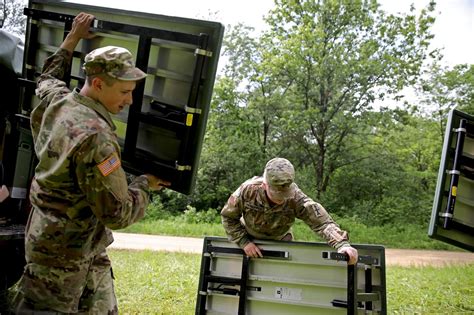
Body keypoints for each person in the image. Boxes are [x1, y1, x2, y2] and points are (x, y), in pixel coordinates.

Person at [11, 12, 170, 314]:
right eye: (124, 92)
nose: (130, 101)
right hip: (62, 256)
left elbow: (47, 79)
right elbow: (117, 213)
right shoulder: (95, 138)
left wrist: (72, 37)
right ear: (98, 83)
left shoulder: (59, 100)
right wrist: (145, 185)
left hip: (71, 241)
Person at [221, 157, 358, 264]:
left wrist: (342, 244)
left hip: (281, 241)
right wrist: (244, 242)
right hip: (248, 238)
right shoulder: (248, 191)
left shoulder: (296, 197)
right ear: (264, 185)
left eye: (285, 193)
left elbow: (322, 222)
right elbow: (228, 217)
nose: (282, 199)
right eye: (277, 194)